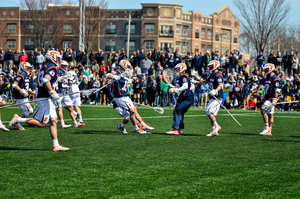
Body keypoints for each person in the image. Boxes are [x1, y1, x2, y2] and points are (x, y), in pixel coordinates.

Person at [8, 50, 69, 151]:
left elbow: (38, 81)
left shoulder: (44, 67)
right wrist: (51, 91)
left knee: (54, 121)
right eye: (58, 58)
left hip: (45, 98)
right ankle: (18, 119)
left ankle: (56, 145)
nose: (59, 60)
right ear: (52, 57)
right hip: (46, 99)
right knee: (42, 124)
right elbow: (45, 80)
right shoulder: (52, 67)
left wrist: (59, 80)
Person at [107, 60, 154, 134]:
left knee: (134, 110)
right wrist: (115, 76)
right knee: (131, 112)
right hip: (119, 97)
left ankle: (143, 125)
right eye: (128, 66)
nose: (129, 68)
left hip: (125, 96)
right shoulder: (118, 71)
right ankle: (137, 128)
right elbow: (108, 75)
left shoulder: (125, 74)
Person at [166, 63, 193, 135]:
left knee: (177, 110)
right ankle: (180, 129)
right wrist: (173, 87)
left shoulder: (183, 75)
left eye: (177, 68)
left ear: (182, 68)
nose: (175, 70)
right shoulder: (180, 76)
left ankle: (176, 129)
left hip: (186, 97)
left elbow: (185, 86)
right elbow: (179, 86)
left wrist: (175, 90)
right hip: (185, 97)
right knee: (180, 112)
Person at [57, 61, 84, 128]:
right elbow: (56, 81)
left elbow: (67, 82)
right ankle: (62, 123)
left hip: (65, 92)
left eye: (67, 65)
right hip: (59, 92)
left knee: (71, 107)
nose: (66, 67)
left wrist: (67, 85)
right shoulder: (59, 72)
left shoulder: (66, 72)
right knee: (58, 108)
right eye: (65, 65)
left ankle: (75, 123)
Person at [10, 62, 34, 130]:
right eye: (28, 67)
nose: (29, 69)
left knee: (27, 111)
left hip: (23, 96)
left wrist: (28, 90)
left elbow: (23, 86)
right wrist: (22, 91)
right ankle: (17, 121)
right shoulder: (21, 75)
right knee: (29, 111)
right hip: (21, 96)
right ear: (23, 67)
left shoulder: (26, 75)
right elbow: (14, 85)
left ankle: (17, 122)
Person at [259, 63, 280, 136]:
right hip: (267, 97)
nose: (265, 71)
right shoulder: (267, 78)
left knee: (263, 110)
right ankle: (269, 131)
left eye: (266, 69)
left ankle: (266, 128)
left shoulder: (275, 78)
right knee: (270, 114)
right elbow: (266, 89)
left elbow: (277, 90)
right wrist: (262, 93)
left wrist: (275, 99)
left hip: (271, 98)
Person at [205, 60, 224, 136]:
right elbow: (205, 81)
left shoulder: (218, 74)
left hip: (217, 96)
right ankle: (214, 130)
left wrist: (215, 91)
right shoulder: (211, 74)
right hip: (212, 97)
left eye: (211, 66)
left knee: (207, 111)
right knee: (211, 113)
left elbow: (220, 85)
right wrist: (194, 81)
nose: (210, 67)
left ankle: (216, 126)